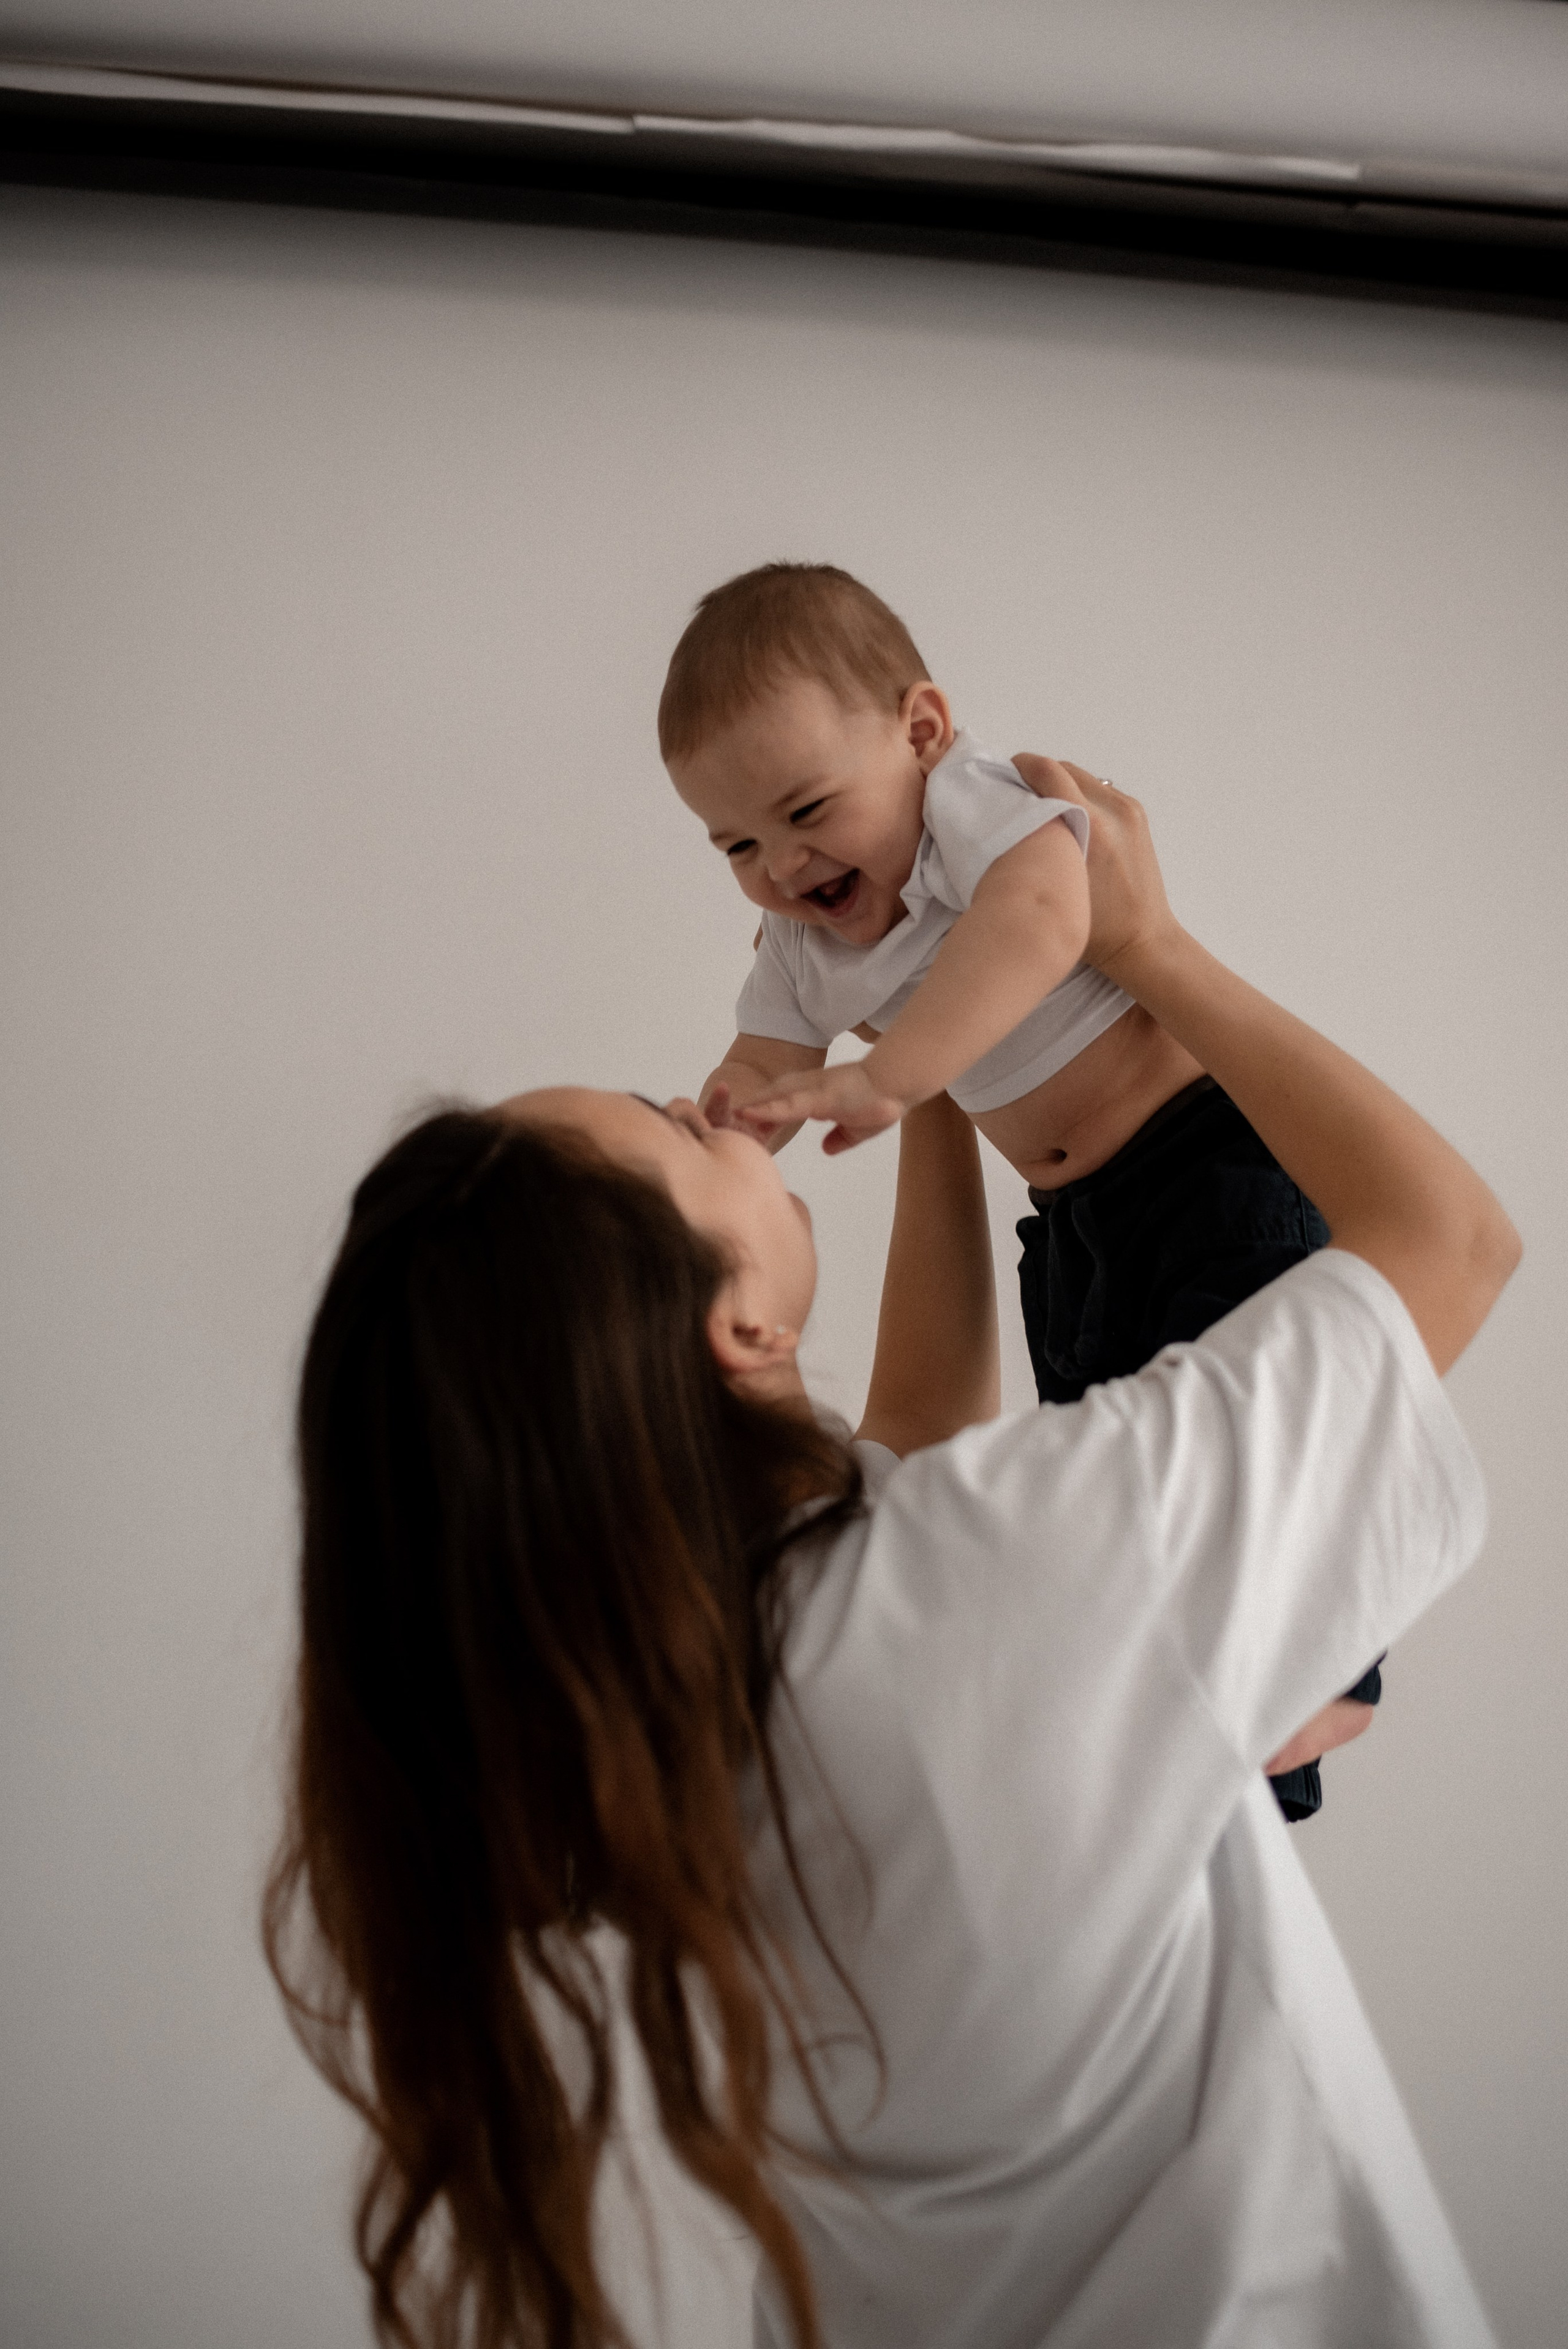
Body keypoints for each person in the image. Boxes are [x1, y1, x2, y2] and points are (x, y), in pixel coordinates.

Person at [265, 760, 1517, 2349]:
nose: (706, 1100)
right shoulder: (987, 1574)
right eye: (670, 1123)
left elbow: (916, 1430)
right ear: (736, 1327)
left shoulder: (688, 1704)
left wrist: (925, 1067)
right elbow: (1448, 1241)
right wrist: (1155, 951)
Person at [660, 560, 1378, 1819]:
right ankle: (1243, 1756)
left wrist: (894, 1073)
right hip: (1072, 1224)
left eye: (804, 808)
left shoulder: (970, 812)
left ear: (921, 734)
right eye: (734, 844)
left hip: (1203, 1162)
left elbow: (1049, 915)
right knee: (1112, 1462)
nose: (779, 864)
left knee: (1252, 1424)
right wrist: (717, 1123)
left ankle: (1335, 1664)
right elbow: (767, 1059)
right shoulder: (799, 940)